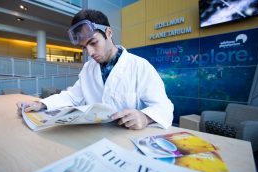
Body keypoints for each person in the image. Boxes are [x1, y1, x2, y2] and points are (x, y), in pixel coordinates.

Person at [17, 9, 174, 130]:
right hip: (95, 137)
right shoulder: (88, 68)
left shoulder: (140, 66)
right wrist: (42, 104)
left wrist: (145, 117)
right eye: (84, 47)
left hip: (128, 139)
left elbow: (164, 107)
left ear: (109, 33)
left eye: (93, 43)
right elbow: (73, 97)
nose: (90, 53)